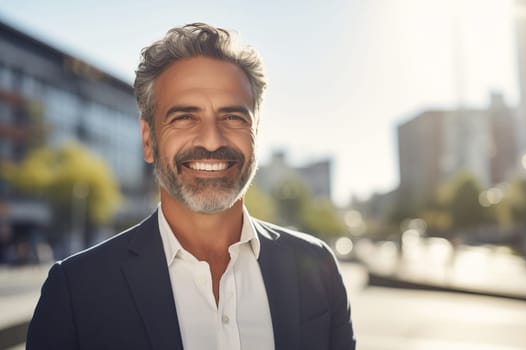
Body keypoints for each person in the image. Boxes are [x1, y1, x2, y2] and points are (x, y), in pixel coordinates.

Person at [26, 23, 356, 350]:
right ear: (148, 140)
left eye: (233, 118)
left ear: (257, 133)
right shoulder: (76, 290)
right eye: (185, 117)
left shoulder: (318, 269)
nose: (212, 141)